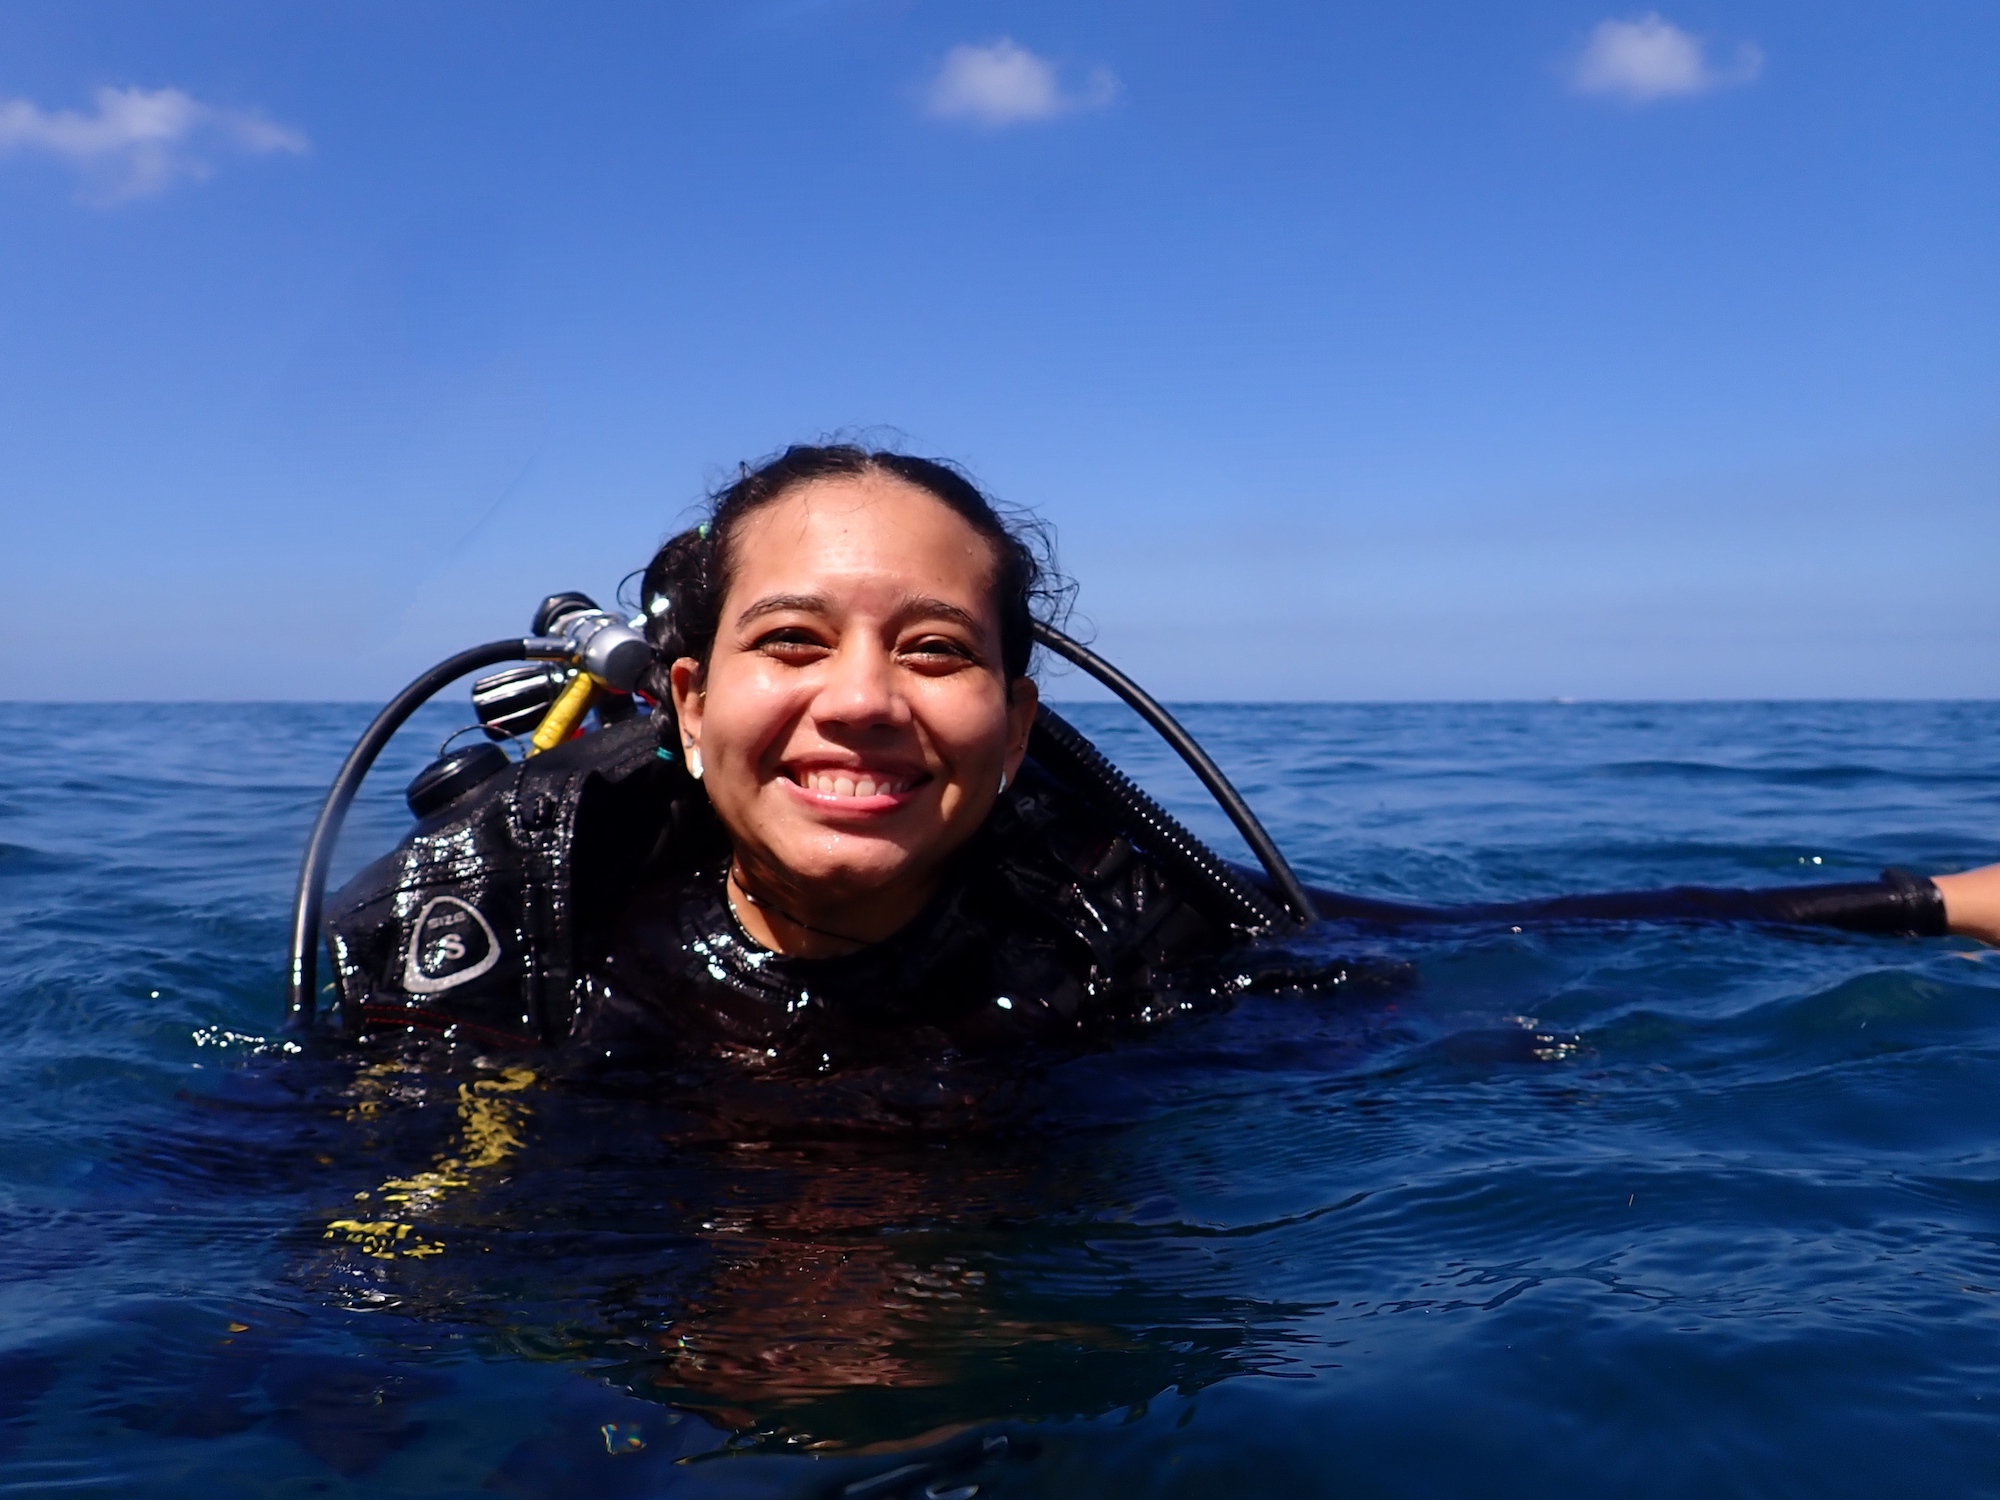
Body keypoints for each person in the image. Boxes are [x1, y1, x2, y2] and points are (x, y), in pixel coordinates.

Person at [321, 444, 2000, 1071]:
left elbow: (1523, 934)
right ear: (684, 706)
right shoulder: (511, 905)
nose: (861, 703)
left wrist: (1935, 905)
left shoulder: (1114, 908)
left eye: (936, 650)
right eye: (790, 643)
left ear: (1020, 718)